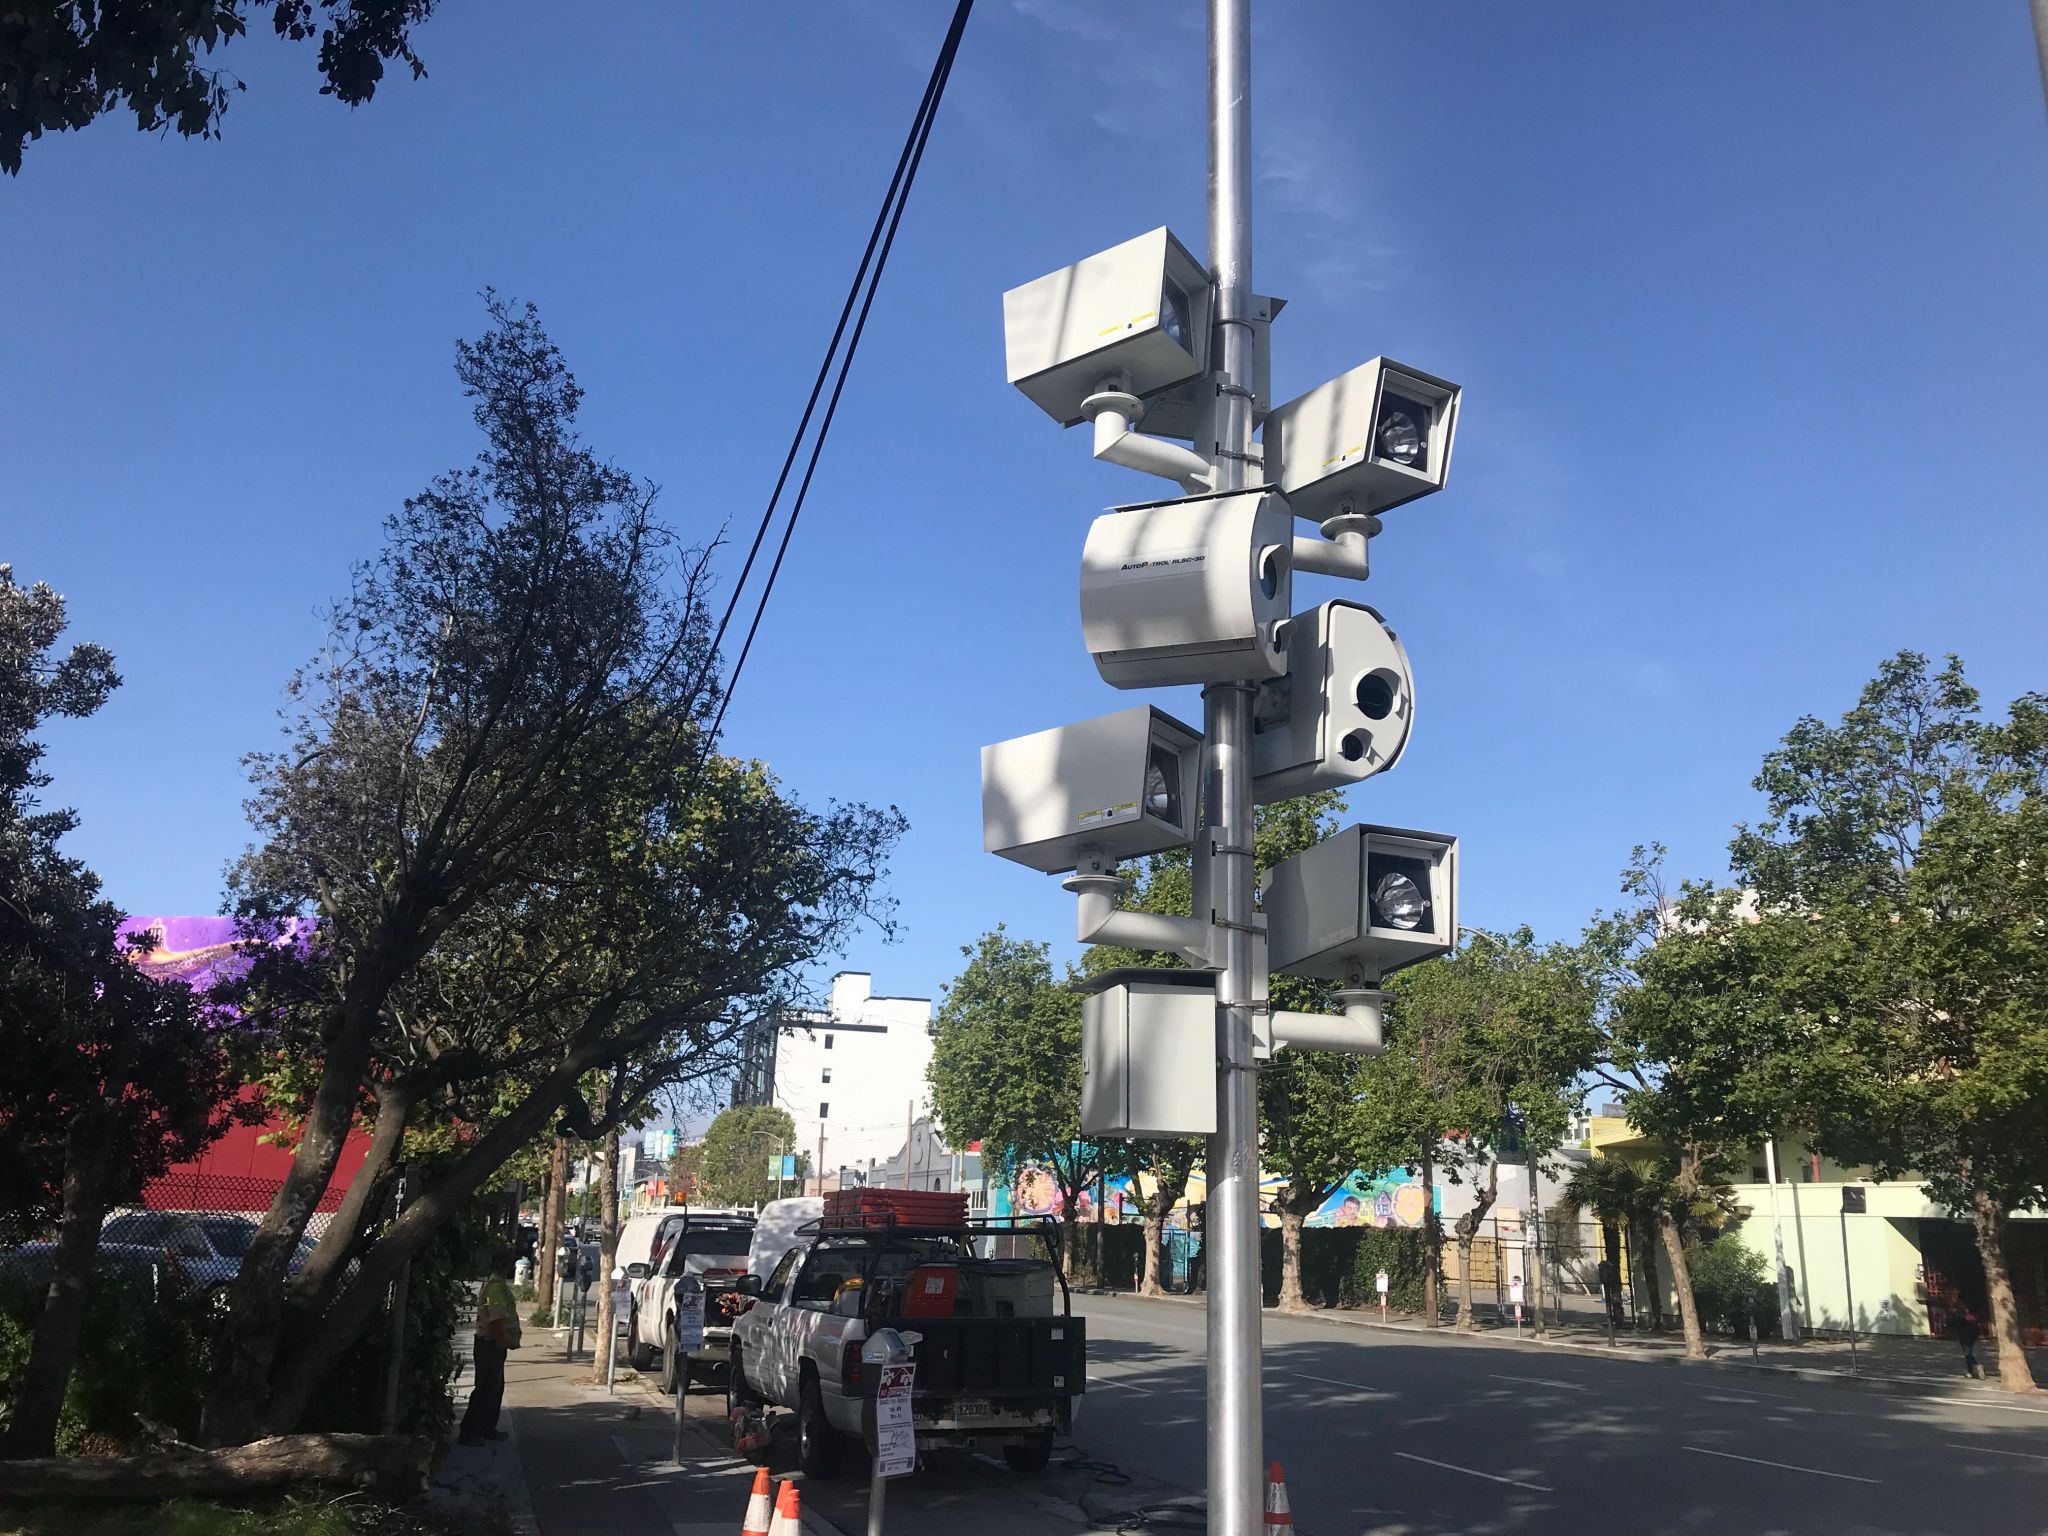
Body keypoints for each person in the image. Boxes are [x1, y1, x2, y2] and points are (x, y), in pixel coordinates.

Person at [459, 1249, 522, 1446]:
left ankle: (487, 1428)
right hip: (490, 1345)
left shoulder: (497, 1285)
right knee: (485, 1389)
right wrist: (501, 1342)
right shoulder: (495, 1287)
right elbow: (496, 1320)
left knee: (494, 1389)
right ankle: (470, 1431)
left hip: (493, 1345)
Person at [1952, 1305, 1984, 1380]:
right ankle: (1970, 1372)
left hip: (1964, 1336)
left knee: (1967, 1353)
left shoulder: (1960, 1317)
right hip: (1972, 1336)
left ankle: (1977, 1365)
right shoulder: (1971, 1317)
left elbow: (1956, 1327)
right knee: (1969, 1352)